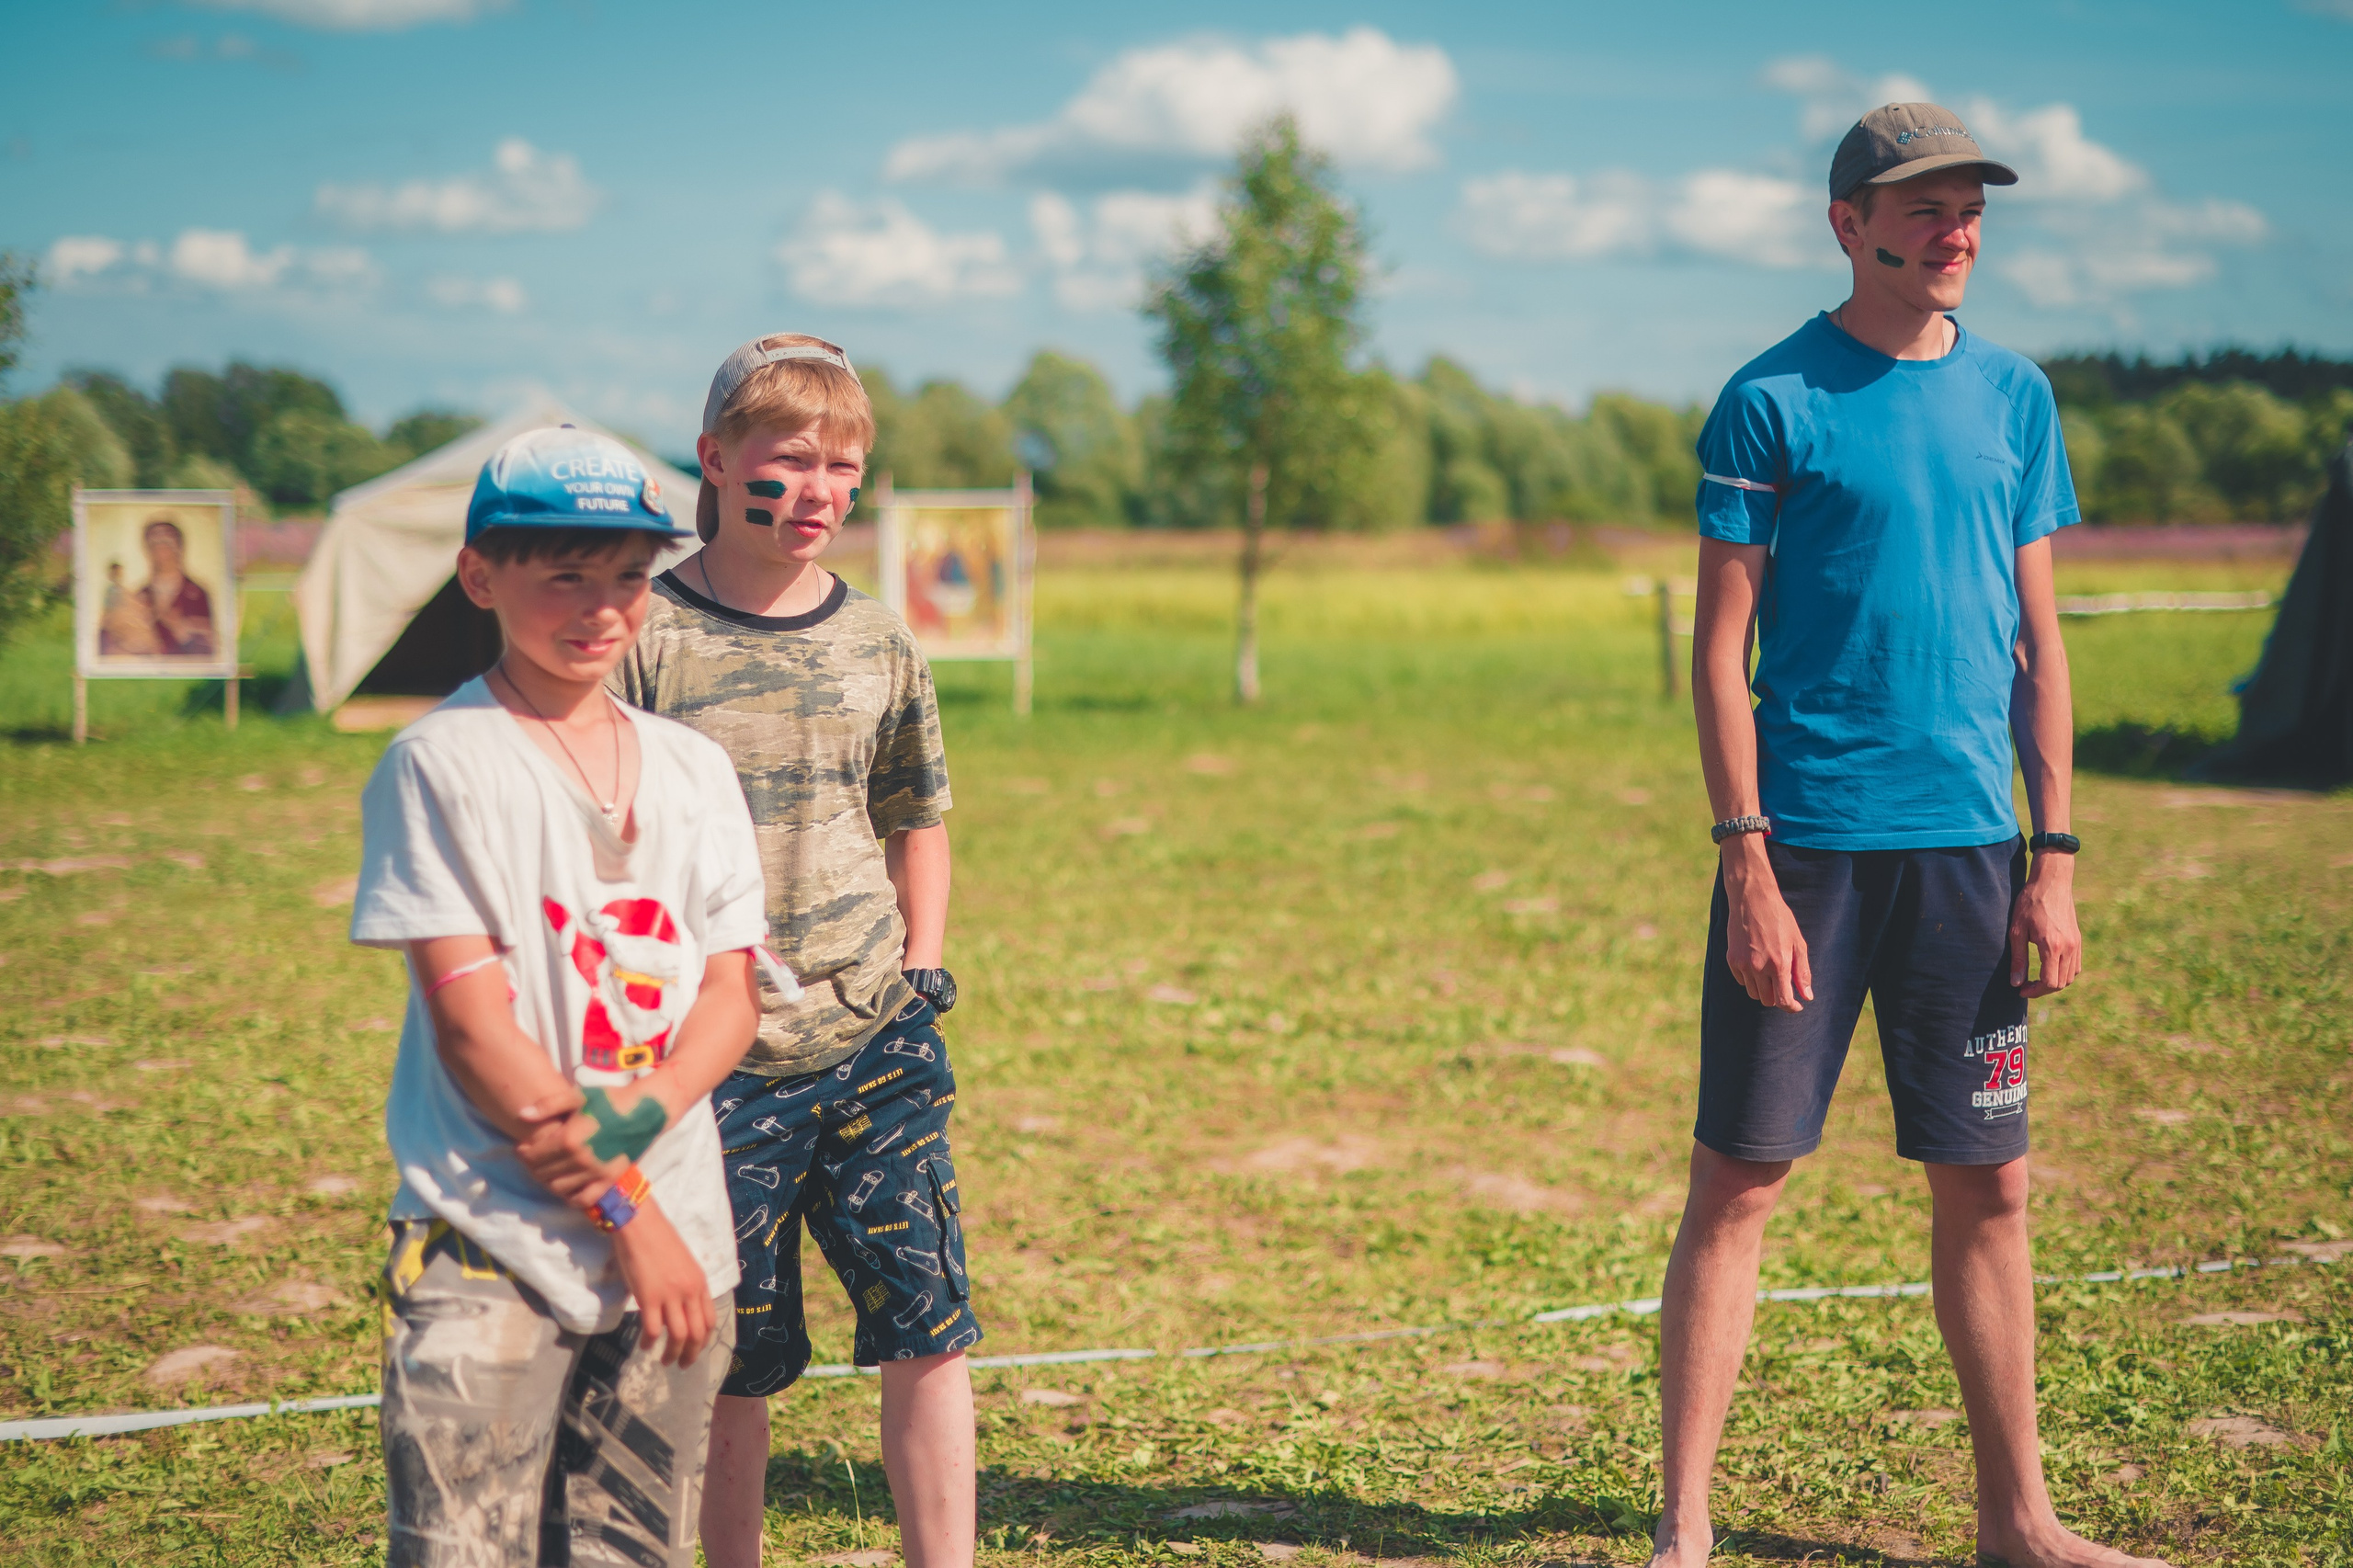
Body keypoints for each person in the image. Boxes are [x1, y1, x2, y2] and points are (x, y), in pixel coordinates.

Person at [1650, 105, 2168, 1568]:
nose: (1956, 233)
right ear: (1847, 226)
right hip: (1807, 844)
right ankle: (1683, 1532)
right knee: (1741, 1181)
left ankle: (2022, 1523)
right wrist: (1745, 861)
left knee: (1990, 1186)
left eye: (1973, 211)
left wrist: (2051, 854)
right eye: (1926, 208)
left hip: (1968, 851)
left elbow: (2039, 647)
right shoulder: (1771, 400)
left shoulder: (2018, 397)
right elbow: (1719, 652)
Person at [352, 426, 769, 1567]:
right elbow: (477, 1033)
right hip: (490, 1241)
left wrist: (646, 1121)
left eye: (629, 576)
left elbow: (730, 990)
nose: (602, 607)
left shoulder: (694, 768)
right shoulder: (441, 762)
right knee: (464, 1550)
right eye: (565, 573)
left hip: (681, 1252)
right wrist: (628, 1211)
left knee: (631, 1549)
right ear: (481, 575)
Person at [611, 334, 975, 1568]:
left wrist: (923, 966)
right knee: (733, 1358)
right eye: (790, 461)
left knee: (931, 1326)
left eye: (843, 465)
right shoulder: (642, 637)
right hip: (716, 1067)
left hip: (876, 1036)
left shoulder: (881, 639)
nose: (816, 488)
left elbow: (916, 813)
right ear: (714, 463)